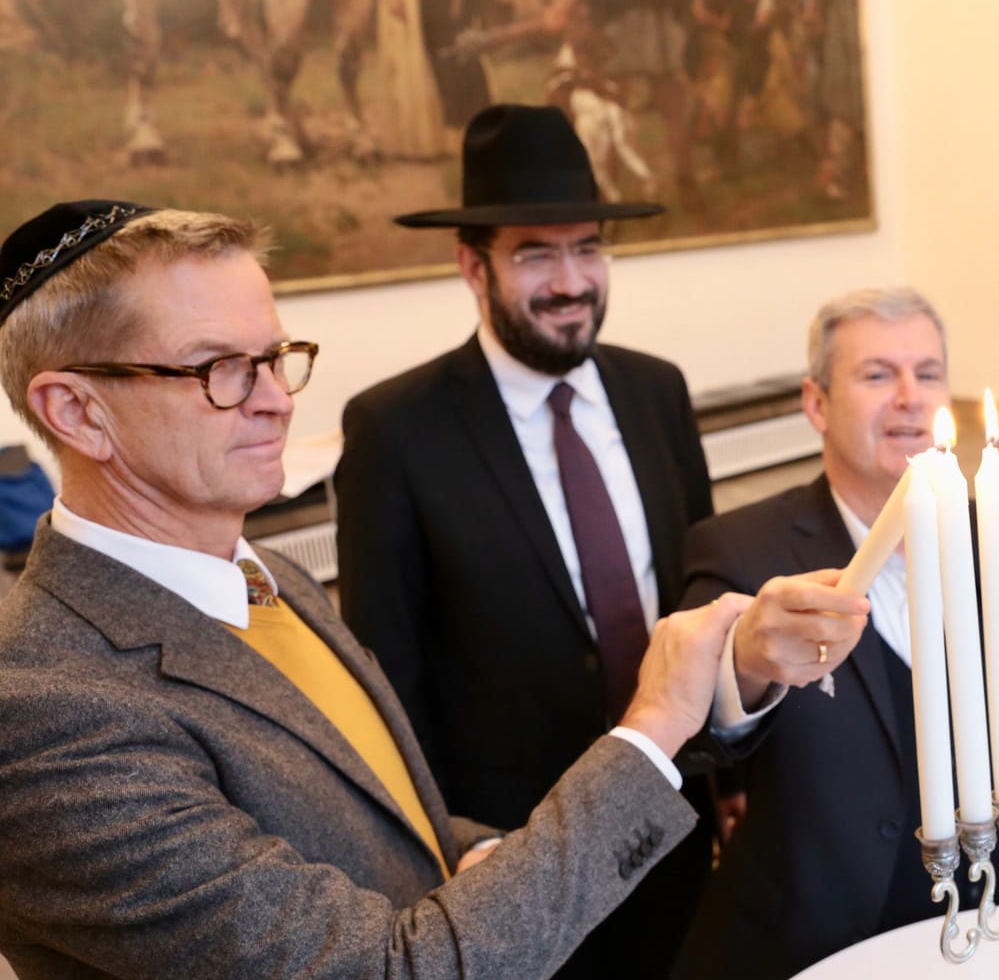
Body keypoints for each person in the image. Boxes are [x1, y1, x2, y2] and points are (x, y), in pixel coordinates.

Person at [0, 200, 866, 978]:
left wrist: (481, 849)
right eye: (219, 368)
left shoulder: (271, 579)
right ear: (77, 411)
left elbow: (377, 821)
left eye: (275, 357)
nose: (276, 401)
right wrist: (652, 726)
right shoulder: (44, 711)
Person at [332, 103, 716, 978]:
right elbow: (390, 679)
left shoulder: (659, 392)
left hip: (672, 818)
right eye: (536, 254)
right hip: (513, 861)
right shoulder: (399, 430)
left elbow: (696, 597)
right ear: (474, 266)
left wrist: (725, 783)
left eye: (587, 248)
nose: (571, 280)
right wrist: (443, 855)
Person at [671, 288, 999, 979]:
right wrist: (746, 666)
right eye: (878, 374)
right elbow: (694, 734)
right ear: (817, 403)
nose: (911, 397)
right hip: (819, 938)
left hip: (996, 920)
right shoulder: (740, 548)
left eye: (929, 372)